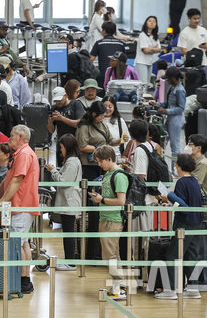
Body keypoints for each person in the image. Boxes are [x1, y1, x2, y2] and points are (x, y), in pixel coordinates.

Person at [0, 125, 40, 294]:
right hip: (20, 206)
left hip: (22, 206)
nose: (8, 139)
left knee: (17, 245)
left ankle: (22, 281)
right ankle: (24, 281)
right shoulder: (18, 155)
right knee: (23, 243)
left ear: (20, 137)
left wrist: (1, 202)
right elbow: (7, 181)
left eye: (11, 136)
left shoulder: (24, 154)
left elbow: (17, 181)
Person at [154, 154, 204, 300]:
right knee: (190, 255)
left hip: (184, 224)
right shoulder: (194, 181)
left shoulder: (181, 182)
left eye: (176, 165)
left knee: (172, 254)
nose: (175, 167)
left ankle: (170, 289)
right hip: (196, 223)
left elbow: (181, 205)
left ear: (180, 166)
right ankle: (193, 288)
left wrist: (168, 196)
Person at [88, 145, 129, 300]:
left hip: (113, 219)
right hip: (105, 217)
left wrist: (101, 199)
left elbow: (121, 201)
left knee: (109, 255)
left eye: (100, 161)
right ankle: (120, 285)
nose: (99, 165)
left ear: (109, 159)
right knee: (113, 254)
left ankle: (118, 288)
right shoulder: (109, 174)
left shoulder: (119, 176)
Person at [43, 134, 82, 271]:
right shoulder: (73, 160)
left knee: (68, 232)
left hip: (69, 202)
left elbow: (64, 181)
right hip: (68, 201)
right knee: (68, 231)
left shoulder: (72, 161)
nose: (60, 150)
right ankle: (69, 260)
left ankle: (70, 262)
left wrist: (53, 170)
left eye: (61, 147)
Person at [183, 134, 207, 289]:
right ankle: (200, 281)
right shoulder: (195, 162)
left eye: (190, 144)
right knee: (198, 246)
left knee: (201, 247)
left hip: (203, 211)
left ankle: (204, 282)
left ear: (199, 148)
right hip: (197, 209)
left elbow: (193, 184)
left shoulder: (202, 163)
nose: (188, 146)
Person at [152, 67, 186, 164]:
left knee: (175, 146)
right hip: (170, 118)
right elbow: (167, 103)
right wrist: (157, 104)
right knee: (163, 141)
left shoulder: (180, 90)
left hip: (176, 119)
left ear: (174, 78)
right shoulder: (172, 88)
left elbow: (181, 108)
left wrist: (166, 111)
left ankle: (176, 168)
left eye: (169, 78)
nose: (167, 80)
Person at [76, 101, 115, 180]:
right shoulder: (84, 126)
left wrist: (121, 140)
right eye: (101, 116)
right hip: (89, 165)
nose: (102, 118)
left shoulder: (102, 124)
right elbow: (82, 146)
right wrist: (99, 149)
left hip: (102, 163)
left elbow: (110, 140)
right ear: (94, 114)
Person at [48, 86, 84, 166]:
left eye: (60, 100)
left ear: (66, 96)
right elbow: (51, 130)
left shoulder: (75, 104)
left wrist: (62, 118)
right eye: (56, 101)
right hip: (61, 144)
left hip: (75, 143)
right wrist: (50, 121)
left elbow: (78, 124)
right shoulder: (54, 108)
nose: (58, 102)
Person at [90, 21, 126, 87]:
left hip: (103, 74)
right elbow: (124, 60)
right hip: (119, 76)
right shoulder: (121, 44)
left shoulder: (99, 43)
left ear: (103, 31)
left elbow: (91, 59)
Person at [135, 16, 162, 84]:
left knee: (147, 84)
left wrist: (150, 49)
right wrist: (154, 48)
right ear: (146, 23)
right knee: (143, 84)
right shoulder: (142, 35)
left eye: (154, 22)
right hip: (141, 62)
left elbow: (159, 49)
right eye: (150, 21)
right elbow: (145, 51)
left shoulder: (155, 36)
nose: (152, 23)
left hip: (150, 62)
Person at [102, 96, 129, 161]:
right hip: (101, 157)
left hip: (117, 156)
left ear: (114, 108)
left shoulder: (120, 121)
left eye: (110, 106)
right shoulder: (97, 121)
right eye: (105, 106)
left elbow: (127, 139)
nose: (107, 109)